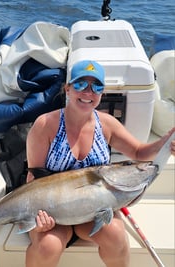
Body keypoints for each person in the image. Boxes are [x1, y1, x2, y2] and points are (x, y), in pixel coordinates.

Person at [25, 60, 175, 267]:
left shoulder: (106, 124)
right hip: (52, 212)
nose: (88, 92)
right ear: (67, 88)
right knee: (48, 245)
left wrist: (165, 142)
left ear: (102, 94)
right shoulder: (45, 125)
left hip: (93, 212)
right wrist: (39, 220)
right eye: (80, 85)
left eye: (96, 87)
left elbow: (139, 152)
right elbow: (34, 180)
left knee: (116, 236)